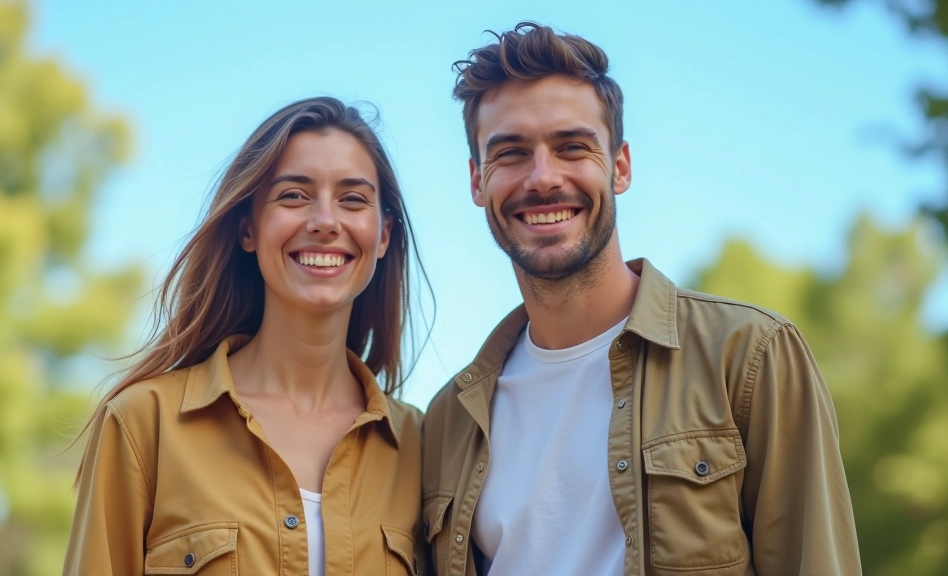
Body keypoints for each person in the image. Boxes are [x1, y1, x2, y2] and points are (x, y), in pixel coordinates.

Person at [421, 22, 862, 576]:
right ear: (477, 182)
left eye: (572, 147)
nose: (542, 177)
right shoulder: (447, 420)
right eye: (510, 153)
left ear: (620, 165)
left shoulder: (749, 355)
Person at [64, 97, 427, 575]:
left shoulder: (423, 447)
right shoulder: (142, 425)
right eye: (294, 195)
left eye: (353, 199)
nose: (324, 220)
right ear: (247, 229)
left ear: (382, 236)